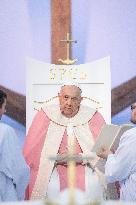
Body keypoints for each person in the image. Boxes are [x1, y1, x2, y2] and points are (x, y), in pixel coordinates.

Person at [23, 83, 105, 200]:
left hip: (86, 172)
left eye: (74, 99)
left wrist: (81, 157)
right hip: (52, 172)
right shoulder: (44, 115)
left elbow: (105, 152)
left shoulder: (93, 116)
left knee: (93, 187)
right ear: (59, 97)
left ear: (80, 100)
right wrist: (55, 158)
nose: (69, 103)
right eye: (66, 97)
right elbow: (30, 152)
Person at [97, 102, 136, 201]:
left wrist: (109, 156)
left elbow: (114, 173)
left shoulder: (132, 135)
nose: (134, 110)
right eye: (133, 107)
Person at [0, 89, 29, 201]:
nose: (5, 110)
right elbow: (20, 172)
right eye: (3, 106)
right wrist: (20, 196)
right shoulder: (5, 132)